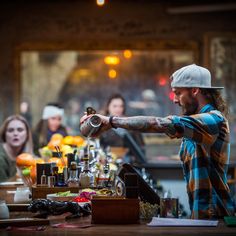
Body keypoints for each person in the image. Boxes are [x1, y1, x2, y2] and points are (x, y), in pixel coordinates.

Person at [81, 64, 235, 219]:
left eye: (178, 93)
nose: (174, 100)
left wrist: (111, 121)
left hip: (216, 217)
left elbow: (157, 123)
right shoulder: (195, 125)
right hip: (202, 216)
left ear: (195, 90)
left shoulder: (213, 120)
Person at [99, 94, 145, 163]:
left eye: (121, 106)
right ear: (108, 107)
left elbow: (140, 148)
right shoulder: (102, 125)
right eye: (115, 106)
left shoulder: (131, 124)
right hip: (107, 163)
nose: (118, 109)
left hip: (128, 164)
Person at [0, 115, 33, 182]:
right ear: (4, 134)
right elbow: (2, 187)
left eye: (20, 130)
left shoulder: (25, 154)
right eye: (10, 130)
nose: (15, 133)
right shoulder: (1, 158)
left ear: (27, 134)